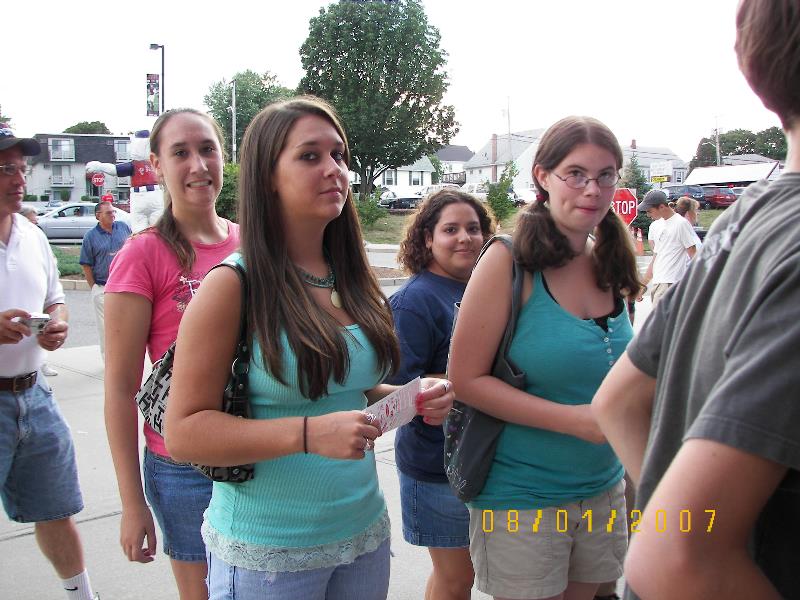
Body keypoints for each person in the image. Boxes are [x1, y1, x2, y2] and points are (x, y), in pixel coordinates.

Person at [163, 96, 454, 600]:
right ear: (267, 176)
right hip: (269, 553)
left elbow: (344, 393)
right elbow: (184, 432)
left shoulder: (352, 276)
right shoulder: (232, 286)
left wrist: (409, 396)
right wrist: (305, 434)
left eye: (339, 155)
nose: (334, 169)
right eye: (309, 156)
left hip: (361, 535)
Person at [592, 1, 800, 598]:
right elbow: (680, 559)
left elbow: (618, 400)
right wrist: (677, 530)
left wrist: (671, 513)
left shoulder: (749, 215)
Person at [448, 116, 642, 600]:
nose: (591, 189)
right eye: (575, 174)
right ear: (542, 177)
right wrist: (573, 421)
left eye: (605, 175)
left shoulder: (609, 262)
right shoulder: (507, 262)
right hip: (522, 496)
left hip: (604, 487)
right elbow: (466, 380)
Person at [103, 108, 240, 600]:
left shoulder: (252, 245)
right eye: (180, 153)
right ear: (157, 167)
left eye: (207, 149)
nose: (198, 164)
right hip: (182, 467)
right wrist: (132, 502)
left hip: (257, 449)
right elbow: (121, 389)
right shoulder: (142, 255)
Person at [0, 126, 98, 600]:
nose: (18, 178)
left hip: (34, 395)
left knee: (56, 509)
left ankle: (81, 595)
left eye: (21, 167)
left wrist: (57, 323)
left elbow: (55, 298)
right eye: (5, 168)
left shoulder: (32, 235)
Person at [389, 189, 495, 600]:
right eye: (450, 229)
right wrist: (454, 382)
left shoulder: (482, 290)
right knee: (455, 578)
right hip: (435, 464)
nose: (465, 238)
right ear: (427, 239)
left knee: (466, 574)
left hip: (482, 457)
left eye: (473, 228)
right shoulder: (415, 301)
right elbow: (396, 389)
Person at [79, 201, 131, 360]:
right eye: (108, 213)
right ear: (98, 216)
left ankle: (125, 357)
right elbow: (86, 264)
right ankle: (110, 361)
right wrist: (94, 287)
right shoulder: (90, 236)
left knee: (126, 325)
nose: (113, 215)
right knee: (105, 327)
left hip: (125, 286)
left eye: (113, 212)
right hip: (103, 288)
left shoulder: (123, 228)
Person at [637, 189, 696, 306]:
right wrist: (642, 286)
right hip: (659, 283)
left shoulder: (681, 224)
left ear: (662, 207)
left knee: (661, 323)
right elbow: (656, 259)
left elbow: (694, 255)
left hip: (671, 283)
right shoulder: (659, 225)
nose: (648, 215)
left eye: (650, 211)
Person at [19, 204, 60, 376]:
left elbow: (56, 300)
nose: (34, 225)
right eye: (31, 221)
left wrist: (59, 324)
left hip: (35, 388)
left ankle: (42, 363)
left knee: (39, 331)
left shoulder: (36, 238)